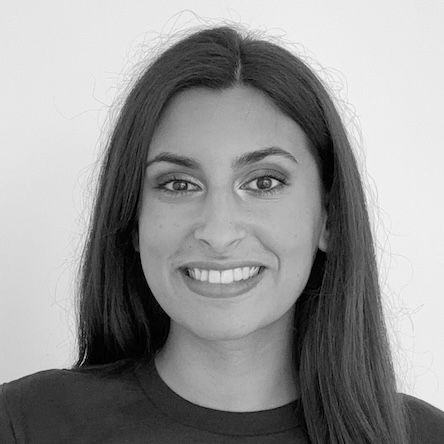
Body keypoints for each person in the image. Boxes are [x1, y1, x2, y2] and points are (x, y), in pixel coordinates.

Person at [1, 24, 443, 444]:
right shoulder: (25, 424)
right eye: (179, 184)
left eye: (263, 182)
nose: (218, 232)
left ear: (329, 218)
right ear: (133, 219)